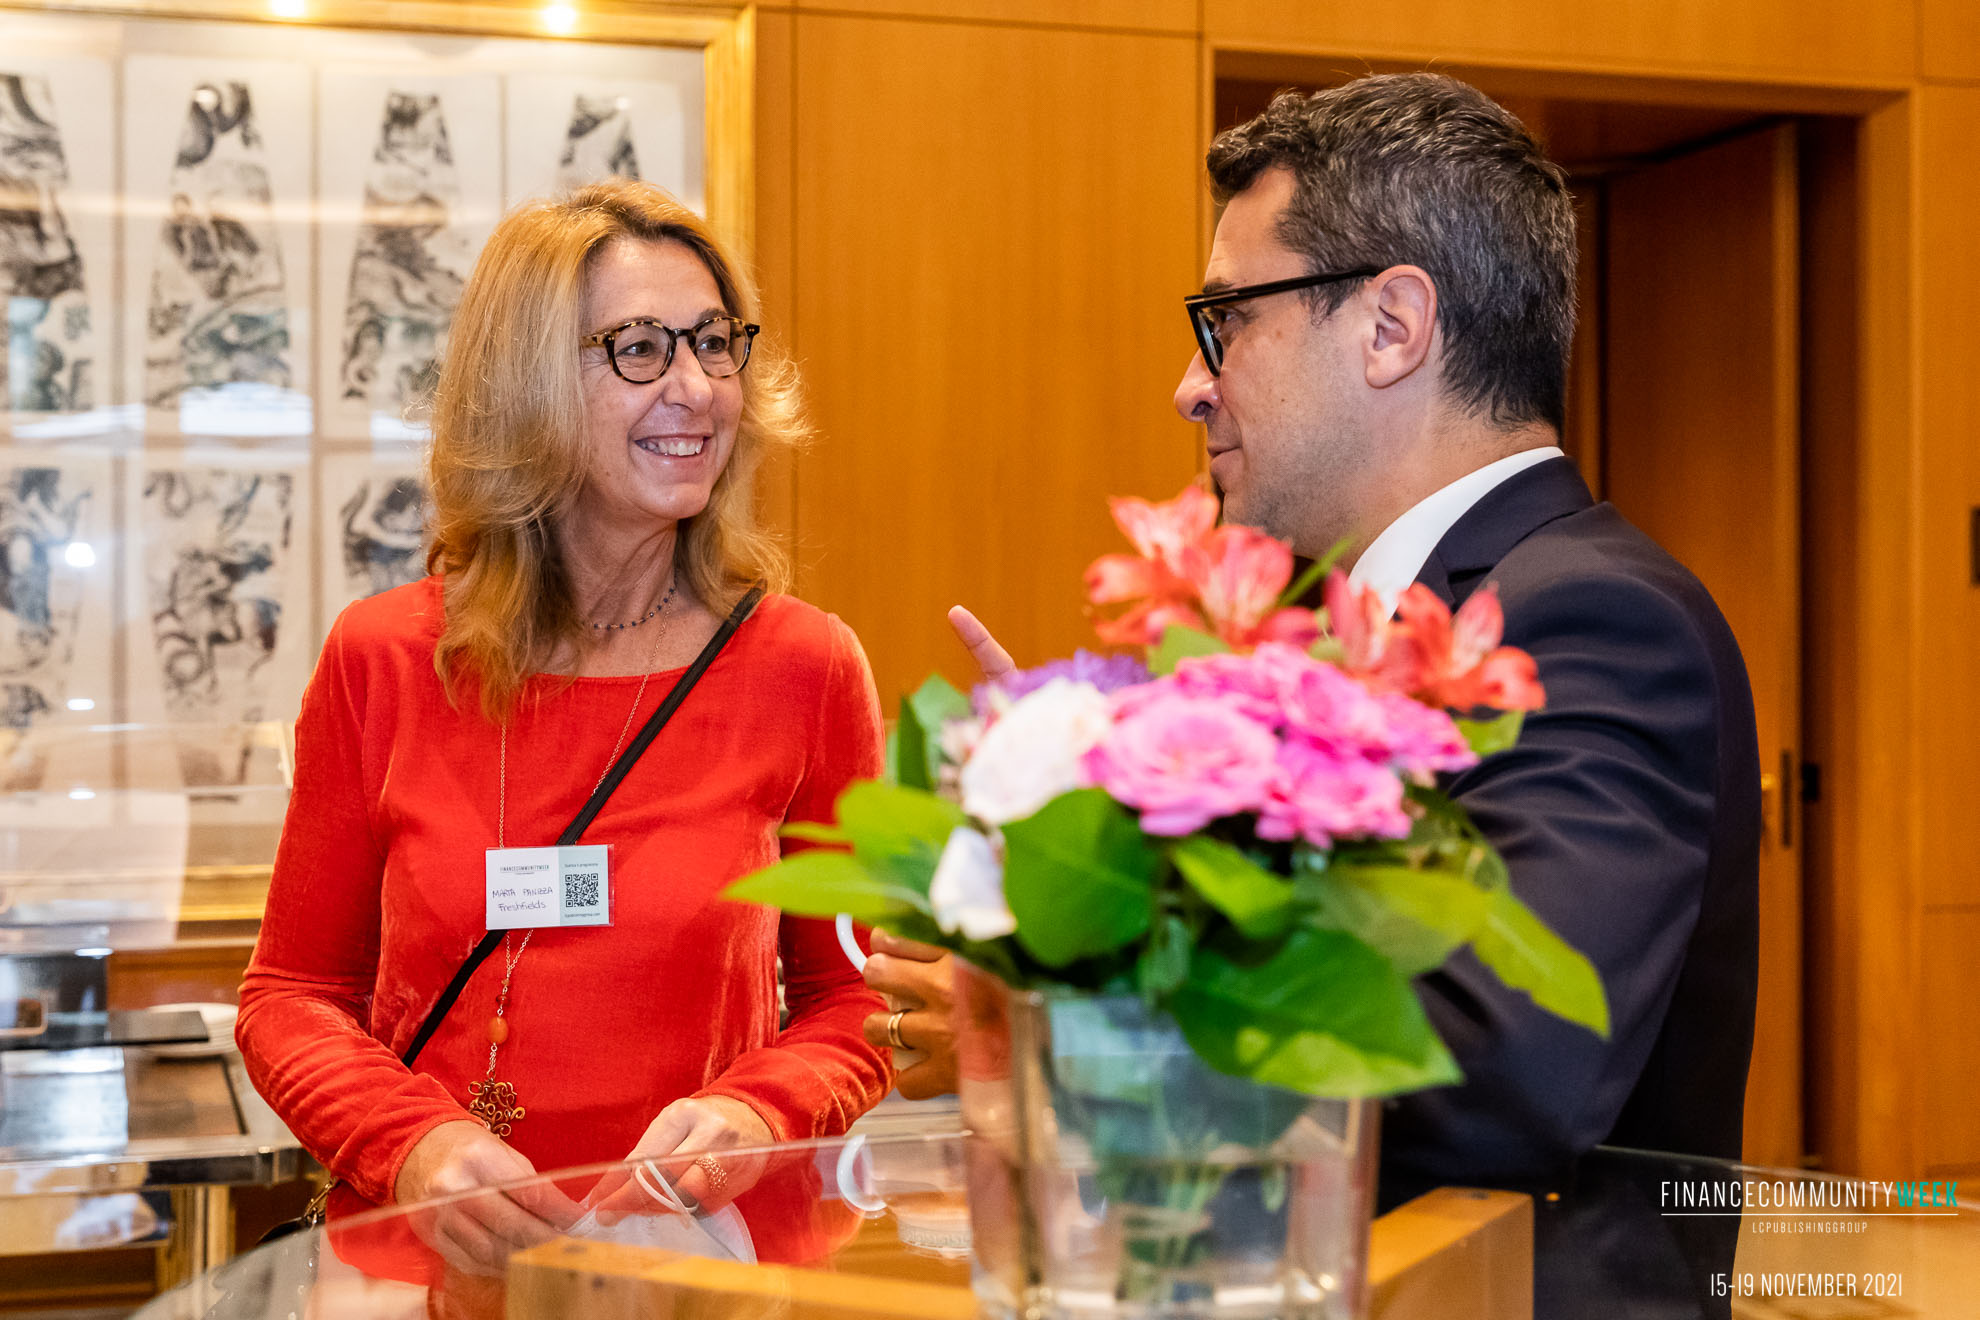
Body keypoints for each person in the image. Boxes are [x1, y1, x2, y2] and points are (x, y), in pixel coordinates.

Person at [879, 72, 1761, 1192]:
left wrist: (1059, 1026)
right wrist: (1066, 849)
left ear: (1391, 327)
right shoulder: (1324, 630)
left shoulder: (1594, 620)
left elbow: (1497, 1070)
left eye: (1227, 323)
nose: (1190, 387)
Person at [238, 180, 894, 1264]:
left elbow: (854, 999)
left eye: (713, 343)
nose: (696, 388)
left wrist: (760, 1112)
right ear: (526, 385)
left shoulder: (803, 666)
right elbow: (292, 997)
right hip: (437, 1270)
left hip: (703, 1266)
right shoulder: (383, 659)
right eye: (639, 349)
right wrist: (412, 1146)